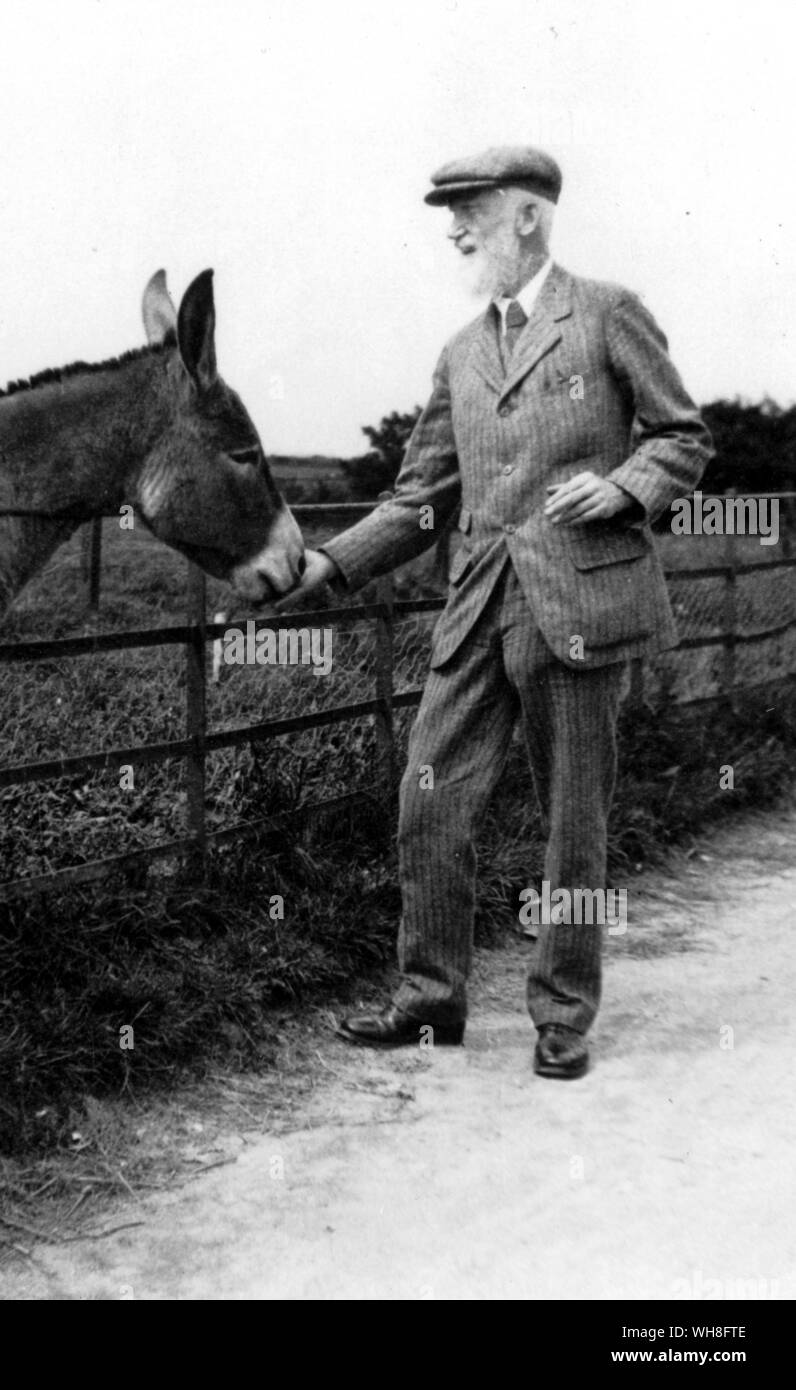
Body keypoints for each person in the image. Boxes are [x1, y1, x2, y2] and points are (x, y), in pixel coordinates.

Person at [284, 146, 712, 1078]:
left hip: (578, 603)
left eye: (471, 208)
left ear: (528, 215)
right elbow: (420, 500)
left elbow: (684, 435)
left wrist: (625, 489)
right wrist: (326, 564)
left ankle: (563, 1015)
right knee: (427, 797)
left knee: (574, 820)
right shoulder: (461, 351)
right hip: (476, 606)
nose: (455, 228)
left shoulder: (606, 312)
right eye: (452, 213)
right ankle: (430, 1002)